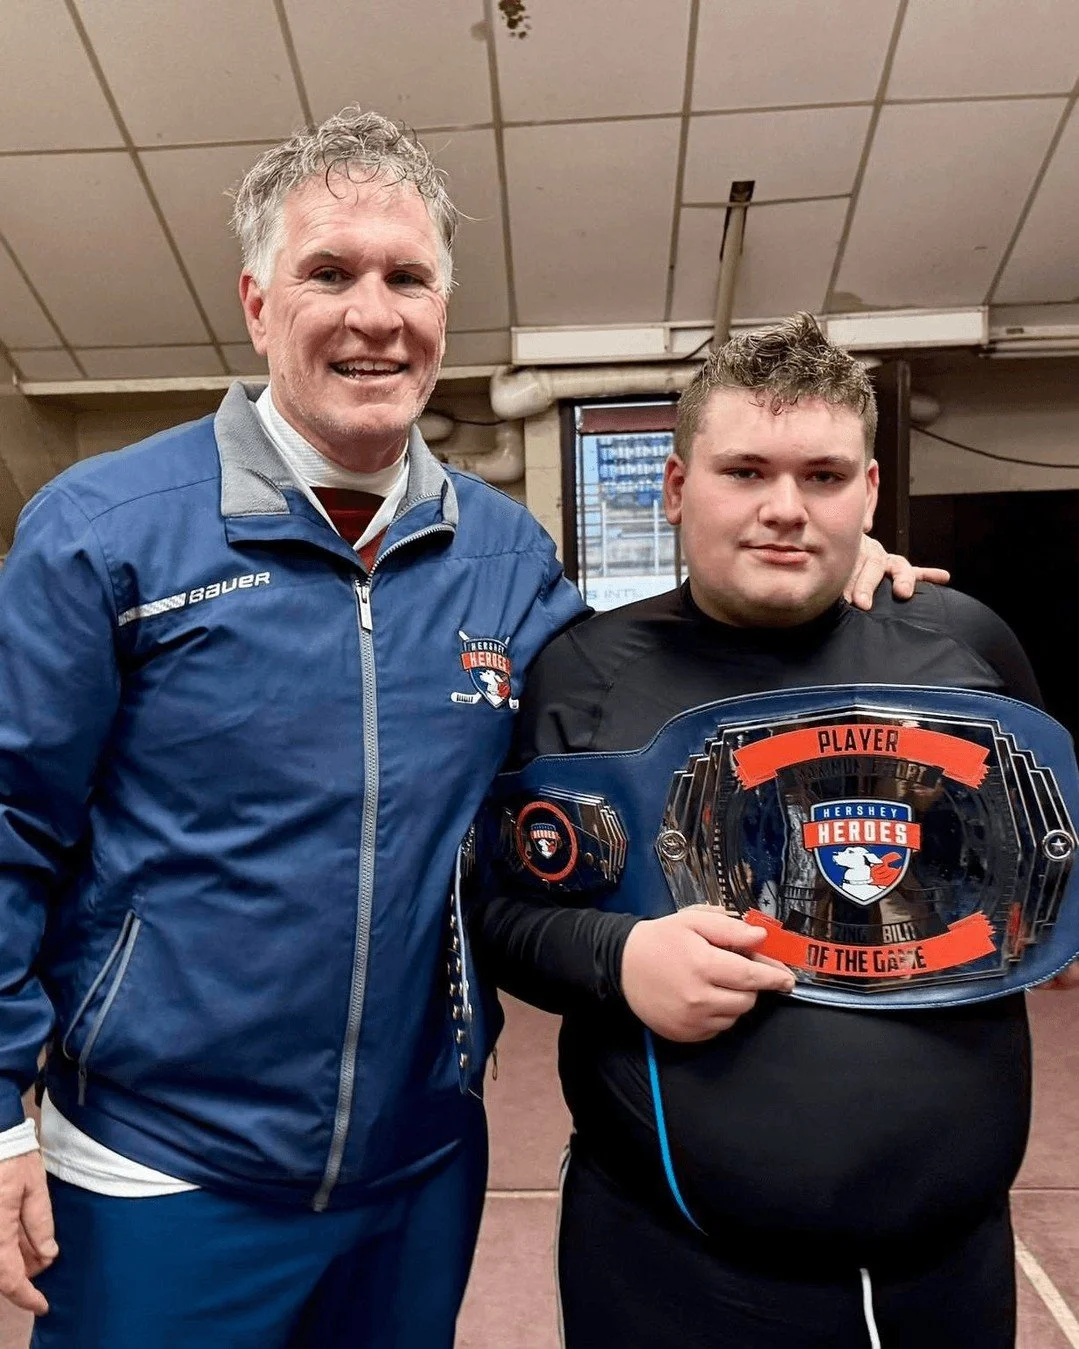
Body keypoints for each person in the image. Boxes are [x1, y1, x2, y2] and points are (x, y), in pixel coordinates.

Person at [0, 108, 936, 1346]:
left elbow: (655, 671)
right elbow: (11, 820)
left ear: (443, 308)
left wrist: (826, 559)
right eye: (328, 272)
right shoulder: (103, 530)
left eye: (408, 277)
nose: (373, 314)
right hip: (162, 1166)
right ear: (257, 303)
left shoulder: (507, 559)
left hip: (419, 1161)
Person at [473, 313, 1079, 1349]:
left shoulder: (962, 645)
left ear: (871, 492)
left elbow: (1050, 862)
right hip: (671, 1272)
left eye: (823, 475)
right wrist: (617, 958)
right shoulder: (578, 673)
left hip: (950, 1270)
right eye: (744, 470)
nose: (784, 509)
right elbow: (495, 907)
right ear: (674, 487)